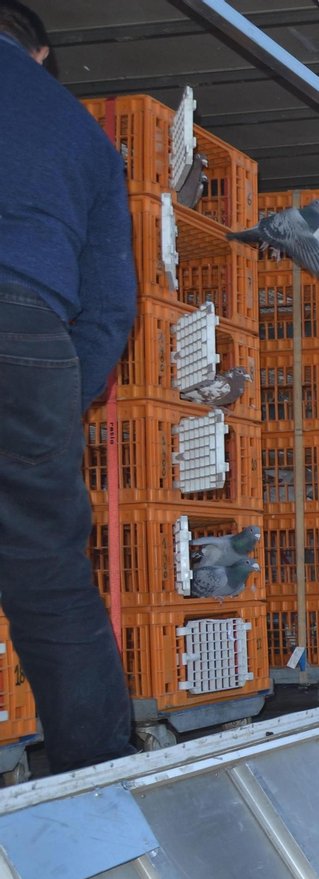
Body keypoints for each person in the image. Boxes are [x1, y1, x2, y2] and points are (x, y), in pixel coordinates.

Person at [0, 2, 139, 774]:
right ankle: (97, 778)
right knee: (50, 575)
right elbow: (112, 302)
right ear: (42, 53)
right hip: (30, 334)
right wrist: (61, 396)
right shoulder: (86, 138)